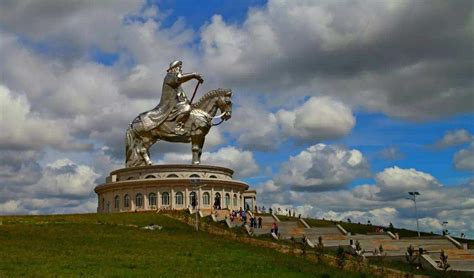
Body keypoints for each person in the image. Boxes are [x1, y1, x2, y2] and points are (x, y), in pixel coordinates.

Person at [140, 60, 204, 135]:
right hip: (169, 105)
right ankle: (177, 127)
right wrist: (194, 75)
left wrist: (187, 101)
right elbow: (179, 78)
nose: (181, 69)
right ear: (174, 68)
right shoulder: (169, 77)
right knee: (186, 108)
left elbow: (181, 95)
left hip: (176, 104)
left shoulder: (177, 84)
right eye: (179, 67)